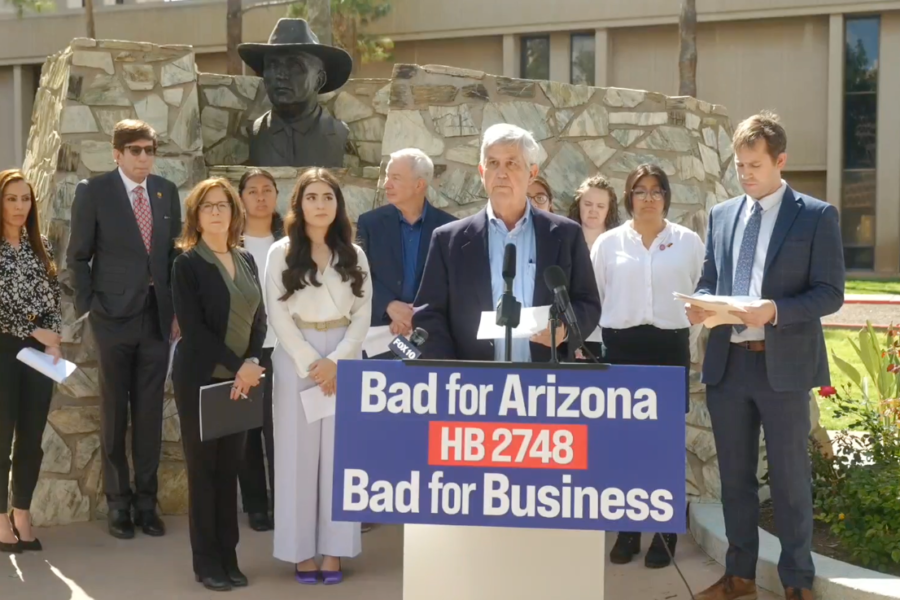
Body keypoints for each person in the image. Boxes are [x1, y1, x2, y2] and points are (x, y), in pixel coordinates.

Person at [687, 112, 844, 600]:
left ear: (780, 160)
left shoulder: (817, 216)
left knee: (791, 483)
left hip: (785, 368)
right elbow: (711, 279)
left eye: (755, 164)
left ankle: (798, 584)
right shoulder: (722, 215)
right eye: (739, 165)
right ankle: (740, 578)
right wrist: (700, 303)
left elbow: (830, 294)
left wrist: (775, 310)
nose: (746, 174)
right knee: (734, 481)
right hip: (728, 366)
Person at [66, 119, 182, 540]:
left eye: (150, 150)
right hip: (111, 318)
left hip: (156, 317)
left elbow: (172, 256)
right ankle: (118, 504)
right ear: (117, 153)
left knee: (149, 413)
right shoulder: (93, 193)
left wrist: (176, 311)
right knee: (115, 412)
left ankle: (146, 504)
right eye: (135, 150)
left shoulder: (166, 192)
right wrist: (89, 308)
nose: (144, 157)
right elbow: (77, 256)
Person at [591, 164, 704, 569]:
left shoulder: (688, 242)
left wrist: (683, 341)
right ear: (629, 197)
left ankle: (665, 531)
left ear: (667, 196)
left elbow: (697, 300)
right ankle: (627, 530)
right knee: (625, 446)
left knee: (665, 446)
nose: (649, 198)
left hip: (668, 349)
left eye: (657, 190)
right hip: (622, 349)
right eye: (641, 191)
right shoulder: (607, 244)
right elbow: (596, 297)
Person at [414, 123, 600, 362]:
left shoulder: (566, 235)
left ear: (532, 173)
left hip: (548, 383)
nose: (501, 173)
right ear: (482, 172)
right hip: (473, 386)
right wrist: (452, 372)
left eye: (511, 163)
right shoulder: (448, 240)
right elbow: (429, 315)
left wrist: (564, 330)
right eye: (493, 163)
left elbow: (588, 303)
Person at [266, 168, 372, 585]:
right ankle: (299, 552)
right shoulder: (281, 252)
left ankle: (335, 551)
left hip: (344, 351)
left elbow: (363, 314)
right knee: (296, 455)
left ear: (338, 204)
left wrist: (339, 362)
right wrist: (313, 362)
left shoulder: (355, 255)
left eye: (328, 197)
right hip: (298, 356)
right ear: (300, 204)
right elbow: (278, 315)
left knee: (340, 457)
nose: (321, 204)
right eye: (312, 197)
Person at [172, 178, 267, 592]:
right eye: (207, 206)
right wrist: (237, 366)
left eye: (222, 206)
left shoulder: (245, 259)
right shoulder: (187, 264)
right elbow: (195, 331)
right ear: (196, 215)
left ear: (233, 213)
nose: (215, 212)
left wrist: (252, 364)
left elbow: (259, 317)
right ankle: (206, 562)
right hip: (202, 383)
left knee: (230, 470)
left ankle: (229, 557)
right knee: (204, 472)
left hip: (241, 381)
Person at [0, 169, 62, 554]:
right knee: (0, 436)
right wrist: (32, 329)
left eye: (25, 199)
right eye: (11, 198)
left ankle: (21, 512)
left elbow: (52, 299)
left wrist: (53, 341)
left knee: (31, 439)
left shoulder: (41, 246)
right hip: (4, 350)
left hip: (39, 356)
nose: (20, 206)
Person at [356, 148, 456, 348]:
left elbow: (452, 284)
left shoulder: (450, 228)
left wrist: (416, 315)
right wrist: (389, 306)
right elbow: (359, 274)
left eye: (395, 178)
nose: (386, 184)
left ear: (419, 185)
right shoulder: (369, 223)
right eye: (387, 176)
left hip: (431, 336)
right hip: (379, 336)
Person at [236, 168, 284, 533]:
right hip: (246, 348)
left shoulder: (290, 239)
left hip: (285, 346)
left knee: (282, 428)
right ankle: (256, 504)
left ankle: (286, 499)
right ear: (241, 198)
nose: (261, 197)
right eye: (253, 190)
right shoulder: (230, 242)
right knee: (249, 430)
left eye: (268, 190)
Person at [567, 175, 622, 359]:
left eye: (600, 206)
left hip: (610, 339)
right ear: (578, 205)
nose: (593, 211)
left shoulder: (620, 245)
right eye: (588, 204)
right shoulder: (564, 242)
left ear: (609, 209)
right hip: (570, 338)